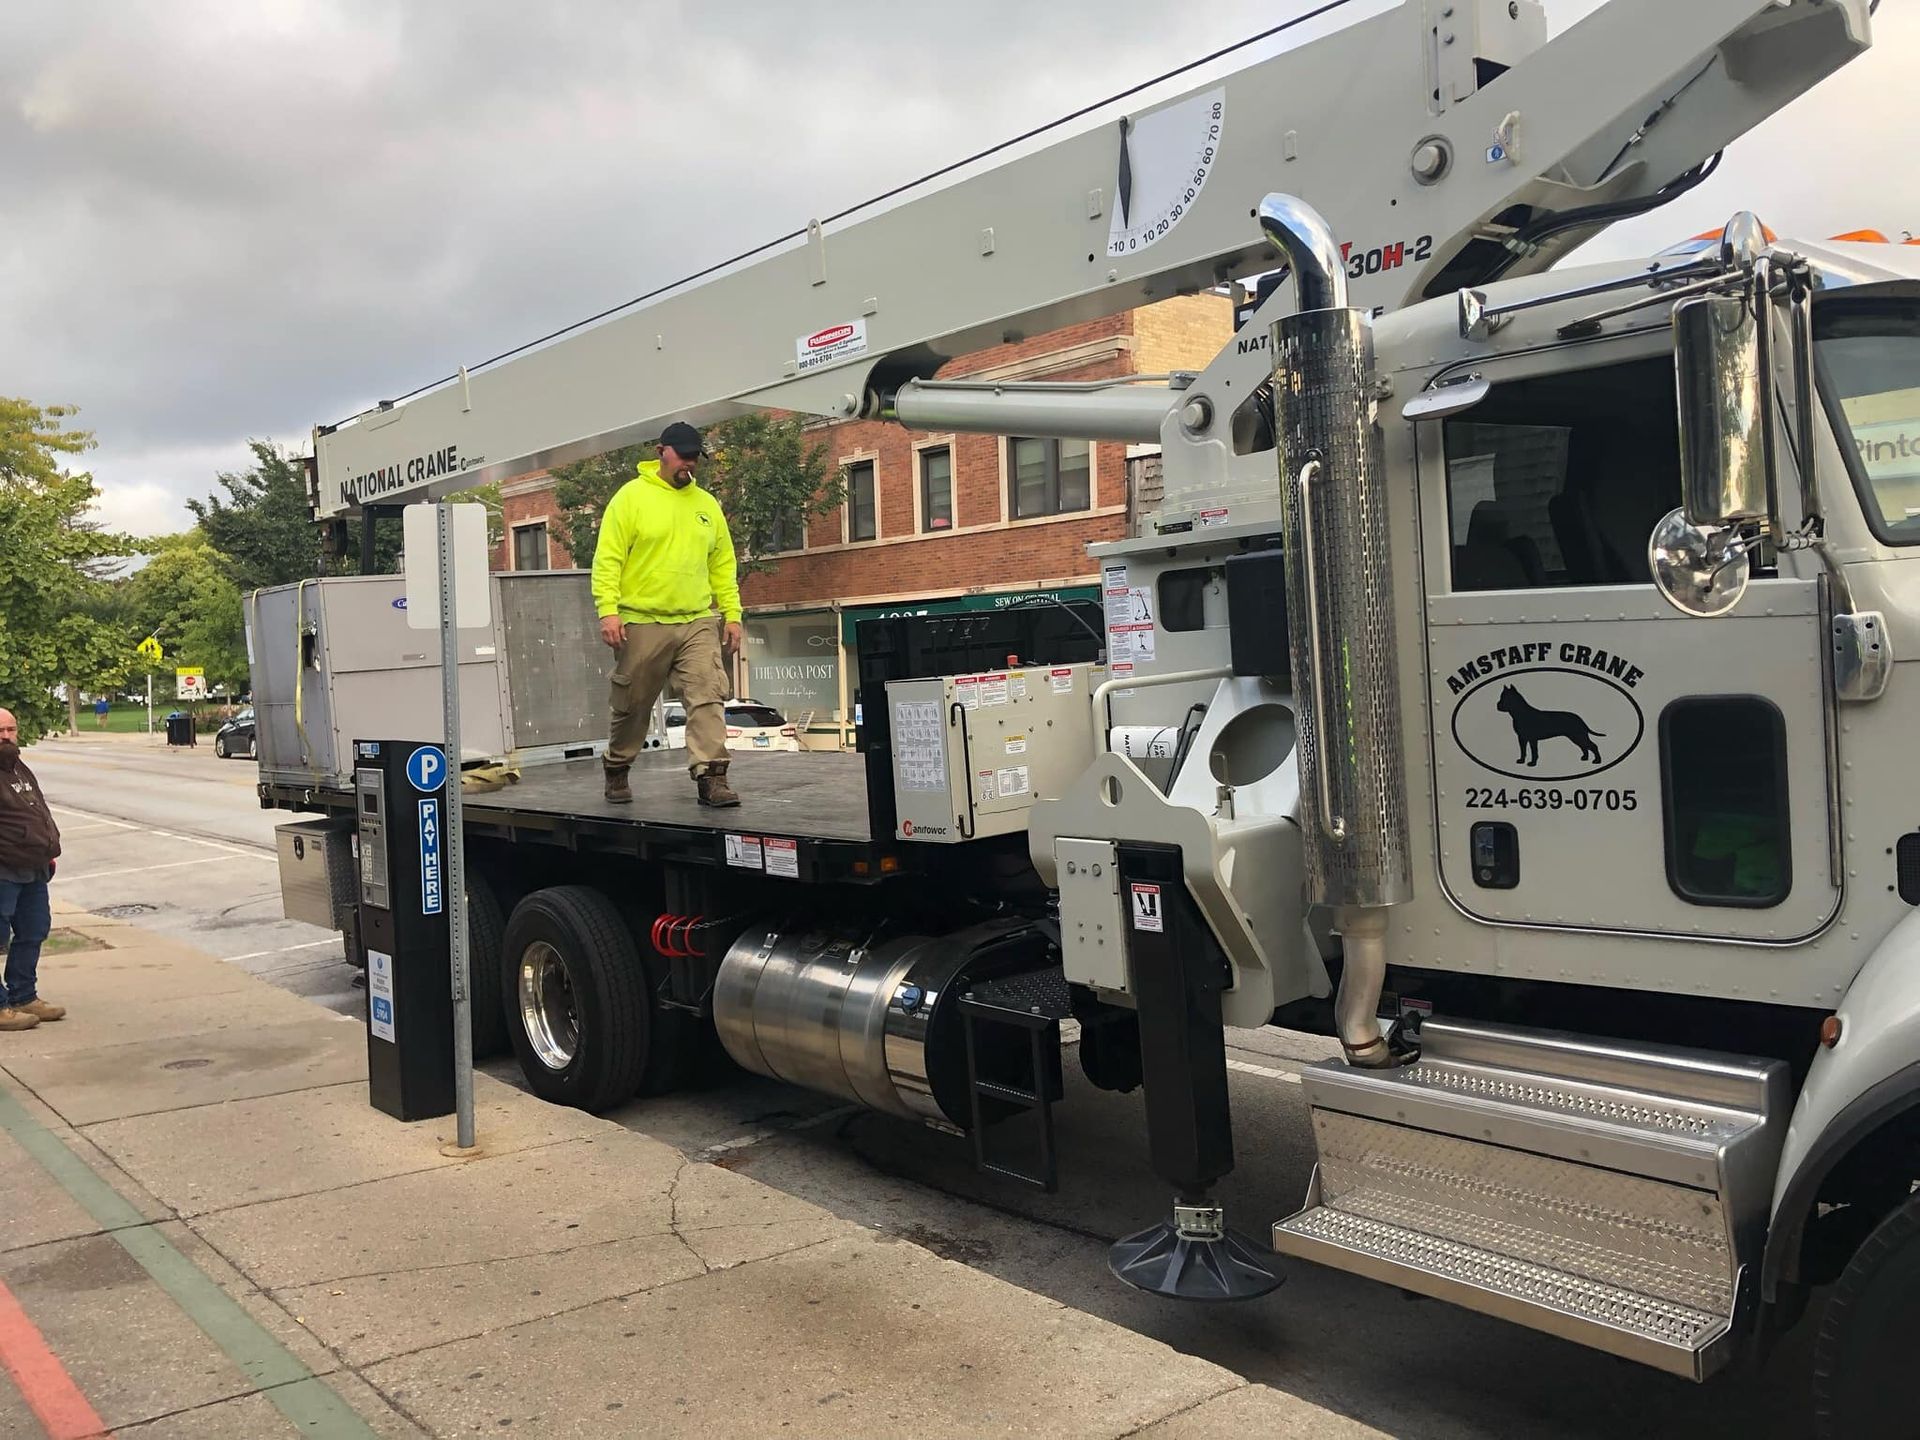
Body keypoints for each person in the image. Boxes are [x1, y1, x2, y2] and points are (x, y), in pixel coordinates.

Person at [592, 422, 745, 808]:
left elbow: (723, 564)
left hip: (696, 618)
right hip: (642, 619)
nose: (690, 464)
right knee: (634, 705)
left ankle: (712, 777)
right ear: (662, 451)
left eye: (695, 457)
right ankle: (617, 765)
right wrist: (608, 610)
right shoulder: (630, 498)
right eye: (683, 455)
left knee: (708, 694)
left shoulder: (706, 505)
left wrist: (732, 613)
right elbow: (608, 558)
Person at [0, 708, 66, 1031]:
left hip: (33, 869)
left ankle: (24, 995)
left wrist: (48, 846)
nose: (6, 736)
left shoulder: (19, 768)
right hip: (3, 871)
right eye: (0, 730)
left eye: (11, 729)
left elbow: (37, 809)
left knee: (34, 929)